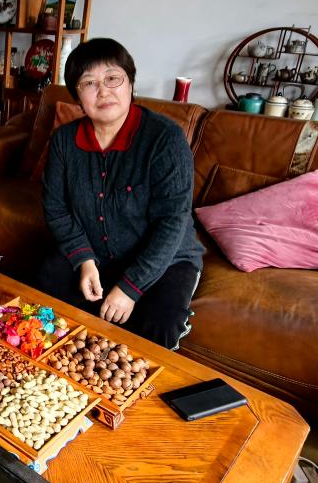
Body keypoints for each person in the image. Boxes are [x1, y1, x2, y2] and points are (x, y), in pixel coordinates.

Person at [39, 38, 202, 350]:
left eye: (113, 78)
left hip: (166, 258)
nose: (103, 91)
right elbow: (56, 209)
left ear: (130, 83)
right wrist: (84, 260)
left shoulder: (165, 139)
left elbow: (172, 222)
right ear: (77, 95)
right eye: (89, 83)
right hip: (97, 250)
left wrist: (130, 287)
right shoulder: (64, 141)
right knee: (50, 279)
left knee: (161, 321)